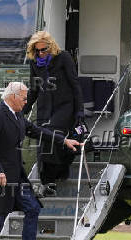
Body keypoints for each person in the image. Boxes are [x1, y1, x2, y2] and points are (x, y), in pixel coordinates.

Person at [0, 82, 81, 240]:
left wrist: (64, 141)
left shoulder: (18, 116)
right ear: (13, 97)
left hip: (17, 178)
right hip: (1, 178)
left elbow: (38, 131)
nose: (26, 102)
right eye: (24, 98)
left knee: (32, 209)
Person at [23, 31, 85, 197]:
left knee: (52, 135)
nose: (41, 53)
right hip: (45, 107)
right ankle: (48, 183)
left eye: (44, 50)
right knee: (44, 143)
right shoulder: (35, 62)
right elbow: (34, 89)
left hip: (65, 106)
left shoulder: (63, 57)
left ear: (51, 47)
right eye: (37, 51)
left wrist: (80, 111)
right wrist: (23, 111)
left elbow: (75, 85)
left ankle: (60, 170)